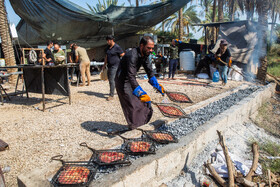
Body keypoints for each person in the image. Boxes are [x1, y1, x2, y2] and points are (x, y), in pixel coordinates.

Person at [115, 36, 165, 130]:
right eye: (149, 48)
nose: (151, 50)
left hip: (130, 80)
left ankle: (139, 125)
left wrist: (156, 85)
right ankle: (134, 128)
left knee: (143, 104)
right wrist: (140, 92)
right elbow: (131, 76)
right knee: (132, 105)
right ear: (142, 46)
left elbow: (149, 71)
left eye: (152, 48)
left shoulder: (145, 55)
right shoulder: (132, 55)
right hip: (122, 81)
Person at [103, 35, 125, 101]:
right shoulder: (108, 48)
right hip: (109, 66)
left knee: (112, 80)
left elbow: (123, 55)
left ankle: (111, 95)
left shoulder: (117, 47)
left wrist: (123, 64)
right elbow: (106, 56)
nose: (107, 42)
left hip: (115, 66)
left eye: (108, 40)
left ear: (112, 40)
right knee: (111, 80)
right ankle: (119, 92)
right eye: (107, 41)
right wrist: (104, 65)